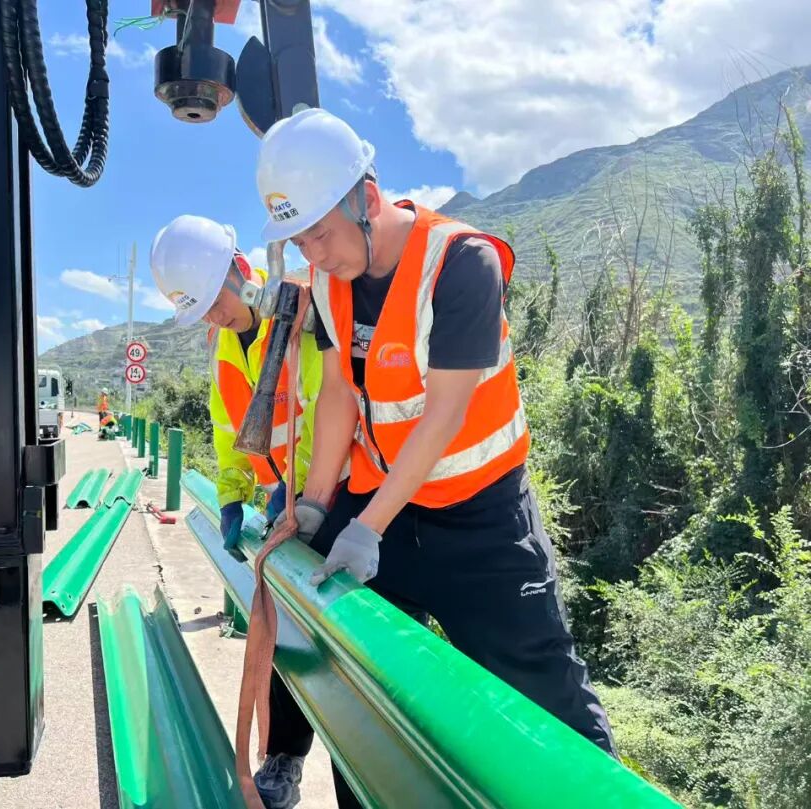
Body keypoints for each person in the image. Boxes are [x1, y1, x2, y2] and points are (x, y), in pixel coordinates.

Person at [250, 107, 618, 808]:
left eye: (321, 233)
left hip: (484, 523)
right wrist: (323, 502)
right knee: (360, 683)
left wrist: (366, 527)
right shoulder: (328, 282)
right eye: (300, 240)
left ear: (366, 196)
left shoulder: (462, 263)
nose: (315, 254)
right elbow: (337, 395)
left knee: (549, 701)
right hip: (390, 511)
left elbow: (443, 415)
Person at [149, 214, 322, 554]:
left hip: (322, 498)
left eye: (215, 302)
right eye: (202, 312)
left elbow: (324, 409)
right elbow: (229, 432)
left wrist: (297, 486)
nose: (215, 318)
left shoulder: (299, 313)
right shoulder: (219, 345)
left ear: (242, 268)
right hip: (282, 505)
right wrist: (230, 496)